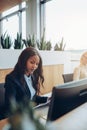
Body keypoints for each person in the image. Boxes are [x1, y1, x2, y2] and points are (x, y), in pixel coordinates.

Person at [4, 47, 50, 113]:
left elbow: (32, 97)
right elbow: (10, 106)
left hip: (29, 114)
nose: (34, 66)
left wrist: (47, 99)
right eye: (32, 62)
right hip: (16, 117)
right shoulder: (12, 78)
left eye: (37, 64)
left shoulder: (32, 76)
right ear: (23, 61)